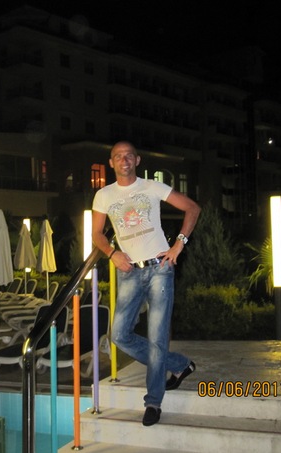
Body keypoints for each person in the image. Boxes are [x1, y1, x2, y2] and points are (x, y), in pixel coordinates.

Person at [92, 141, 201, 426]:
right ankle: (179, 364)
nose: (124, 160)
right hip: (128, 271)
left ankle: (153, 402)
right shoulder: (104, 195)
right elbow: (97, 234)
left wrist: (179, 244)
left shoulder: (152, 187)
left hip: (159, 269)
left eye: (129, 155)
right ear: (111, 162)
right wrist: (112, 253)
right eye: (118, 156)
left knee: (156, 338)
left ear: (137, 160)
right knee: (119, 335)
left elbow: (192, 208)